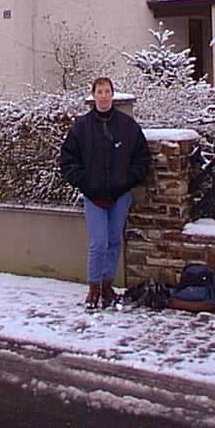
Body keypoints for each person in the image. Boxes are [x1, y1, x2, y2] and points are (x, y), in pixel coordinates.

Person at [60, 77, 151, 309]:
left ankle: (107, 286)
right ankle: (93, 289)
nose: (103, 96)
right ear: (93, 95)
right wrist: (84, 182)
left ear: (112, 95)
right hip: (93, 196)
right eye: (99, 91)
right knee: (98, 243)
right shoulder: (82, 126)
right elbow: (68, 160)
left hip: (120, 195)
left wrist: (128, 180)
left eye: (107, 91)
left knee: (113, 241)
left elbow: (142, 158)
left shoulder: (127, 126)